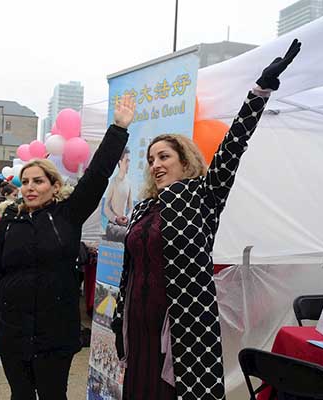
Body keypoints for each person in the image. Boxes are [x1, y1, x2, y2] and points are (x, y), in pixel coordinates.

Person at [111, 39, 301, 400]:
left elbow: (234, 145)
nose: (155, 164)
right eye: (151, 159)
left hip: (182, 329)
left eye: (164, 156)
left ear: (184, 160)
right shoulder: (144, 208)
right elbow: (131, 268)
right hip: (138, 324)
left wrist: (261, 90)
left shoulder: (203, 194)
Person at [0, 94, 136, 399]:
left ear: (54, 186)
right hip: (13, 330)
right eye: (26, 181)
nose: (30, 187)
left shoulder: (68, 214)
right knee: (21, 395)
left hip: (55, 331)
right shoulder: (9, 220)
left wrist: (118, 129)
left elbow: (97, 175)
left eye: (38, 181)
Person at [103, 146, 132, 227]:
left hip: (125, 223)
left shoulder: (128, 183)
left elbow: (131, 207)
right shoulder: (113, 182)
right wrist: (115, 219)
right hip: (113, 224)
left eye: (129, 161)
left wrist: (128, 217)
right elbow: (106, 206)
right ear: (120, 162)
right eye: (126, 161)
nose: (128, 164)